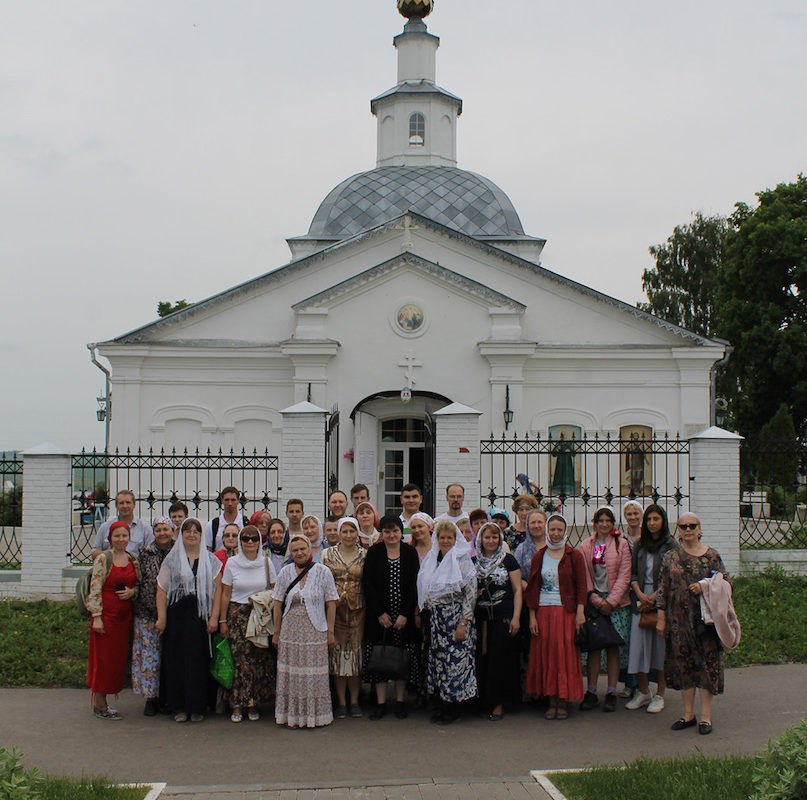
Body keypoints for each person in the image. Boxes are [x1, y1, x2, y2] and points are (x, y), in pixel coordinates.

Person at [657, 512, 728, 735]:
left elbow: (725, 584)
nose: (688, 530)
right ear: (678, 530)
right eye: (683, 526)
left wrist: (704, 586)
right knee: (683, 666)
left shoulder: (712, 556)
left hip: (705, 623)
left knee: (707, 666)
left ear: (699, 529)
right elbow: (663, 588)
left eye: (692, 526)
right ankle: (688, 714)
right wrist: (661, 618)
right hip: (679, 622)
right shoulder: (671, 557)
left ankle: (705, 717)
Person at [156, 517, 222, 723]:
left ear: (202, 536)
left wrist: (214, 618)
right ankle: (179, 706)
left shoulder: (211, 560)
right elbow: (161, 589)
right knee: (176, 660)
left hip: (200, 616)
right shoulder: (172, 560)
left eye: (196, 531)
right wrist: (162, 618)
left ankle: (197, 706)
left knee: (198, 660)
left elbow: (219, 590)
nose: (191, 534)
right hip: (177, 617)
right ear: (181, 535)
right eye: (187, 531)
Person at [272, 534, 338, 729]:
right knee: (292, 673)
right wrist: (276, 632)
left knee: (312, 674)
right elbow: (277, 604)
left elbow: (332, 603)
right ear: (291, 553)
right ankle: (292, 715)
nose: (299, 553)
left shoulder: (323, 571)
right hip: (290, 629)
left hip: (315, 628)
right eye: (295, 550)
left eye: (303, 549)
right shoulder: (285, 572)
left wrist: (330, 632)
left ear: (309, 550)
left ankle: (314, 716)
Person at [524, 513, 586, 720]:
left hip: (565, 612)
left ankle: (563, 700)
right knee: (547, 656)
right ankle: (551, 699)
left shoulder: (573, 555)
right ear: (547, 531)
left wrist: (580, 612)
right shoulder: (539, 556)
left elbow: (582, 586)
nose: (556, 533)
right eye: (553, 530)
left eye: (560, 530)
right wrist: (532, 616)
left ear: (565, 531)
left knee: (564, 656)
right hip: (543, 612)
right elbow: (532, 588)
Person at [418, 519, 478, 725]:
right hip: (436, 620)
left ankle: (454, 708)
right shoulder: (432, 559)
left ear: (456, 539)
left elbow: (470, 595)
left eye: (449, 538)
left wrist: (464, 622)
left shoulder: (462, 560)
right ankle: (442, 704)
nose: (445, 541)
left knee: (456, 663)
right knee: (439, 663)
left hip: (455, 619)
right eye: (441, 537)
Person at [362, 515, 421, 720]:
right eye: (387, 531)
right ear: (382, 533)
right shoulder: (374, 553)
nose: (391, 535)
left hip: (403, 617)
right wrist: (380, 613)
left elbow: (415, 584)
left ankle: (399, 701)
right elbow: (367, 584)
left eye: (395, 530)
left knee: (401, 658)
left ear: (400, 532)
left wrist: (405, 613)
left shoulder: (410, 553)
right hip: (380, 617)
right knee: (380, 657)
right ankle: (380, 703)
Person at [218, 525, 277, 723]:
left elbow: (275, 591)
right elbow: (225, 592)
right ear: (241, 542)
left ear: (260, 542)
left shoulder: (267, 563)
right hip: (238, 615)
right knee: (240, 661)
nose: (250, 542)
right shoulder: (232, 563)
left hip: (259, 615)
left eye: (254, 538)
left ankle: (252, 702)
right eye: (245, 538)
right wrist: (222, 620)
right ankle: (236, 704)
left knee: (257, 660)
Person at [577, 506, 632, 712]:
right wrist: (596, 599)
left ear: (613, 523)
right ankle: (591, 691)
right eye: (601, 520)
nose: (604, 524)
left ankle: (610, 691)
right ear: (595, 523)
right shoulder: (586, 545)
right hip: (596, 604)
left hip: (617, 605)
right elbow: (584, 575)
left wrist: (612, 600)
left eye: (608, 521)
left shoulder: (621, 545)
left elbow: (625, 574)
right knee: (594, 647)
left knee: (612, 647)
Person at [86, 521, 142, 719]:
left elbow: (138, 585)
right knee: (103, 661)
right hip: (106, 618)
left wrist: (132, 592)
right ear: (110, 538)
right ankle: (100, 704)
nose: (121, 539)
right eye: (117, 536)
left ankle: (105, 702)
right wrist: (97, 617)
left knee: (117, 661)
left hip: (123, 618)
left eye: (124, 536)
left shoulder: (132, 559)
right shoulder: (104, 558)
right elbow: (95, 588)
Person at [626, 504, 677, 714]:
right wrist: (639, 594)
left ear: (663, 520)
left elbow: (672, 575)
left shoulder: (671, 544)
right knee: (637, 647)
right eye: (649, 520)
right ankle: (643, 690)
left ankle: (660, 695)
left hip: (662, 601)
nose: (652, 523)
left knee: (660, 649)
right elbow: (634, 573)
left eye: (656, 519)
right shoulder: (640, 544)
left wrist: (655, 597)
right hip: (640, 600)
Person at [474, 521, 522, 720]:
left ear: (500, 539)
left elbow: (518, 589)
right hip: (480, 619)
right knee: (481, 660)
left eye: (495, 537)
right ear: (480, 539)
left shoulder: (508, 560)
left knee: (500, 661)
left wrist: (516, 617)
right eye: (487, 537)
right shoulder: (473, 561)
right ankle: (482, 701)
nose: (491, 541)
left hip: (503, 616)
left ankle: (498, 703)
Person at [321, 517, 367, 718]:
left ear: (357, 533)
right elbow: (321, 580)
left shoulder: (366, 555)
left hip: (359, 611)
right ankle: (341, 701)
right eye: (345, 532)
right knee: (338, 656)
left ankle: (355, 700)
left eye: (352, 531)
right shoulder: (326, 554)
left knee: (355, 655)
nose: (348, 535)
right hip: (335, 610)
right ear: (339, 533)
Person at [131, 515, 175, 716]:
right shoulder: (145, 553)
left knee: (170, 657)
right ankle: (151, 698)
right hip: (147, 613)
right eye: (158, 529)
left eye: (166, 529)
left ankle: (168, 697)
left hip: (174, 613)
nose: (162, 533)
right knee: (150, 657)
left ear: (172, 530)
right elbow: (139, 579)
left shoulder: (179, 552)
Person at [91, 489, 154, 558]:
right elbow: (94, 553)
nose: (125, 506)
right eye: (121, 503)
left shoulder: (145, 528)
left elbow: (151, 553)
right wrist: (113, 555)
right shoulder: (105, 527)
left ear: (134, 505)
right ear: (116, 506)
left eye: (128, 502)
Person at [204, 486, 247, 551]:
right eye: (227, 500)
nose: (230, 503)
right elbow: (208, 550)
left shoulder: (245, 524)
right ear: (222, 501)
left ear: (238, 501)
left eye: (233, 500)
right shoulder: (212, 525)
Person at [514, 508, 548, 588]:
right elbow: (516, 576)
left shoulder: (554, 547)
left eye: (539, 522)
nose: (536, 526)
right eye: (533, 523)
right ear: (528, 526)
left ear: (546, 524)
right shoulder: (521, 549)